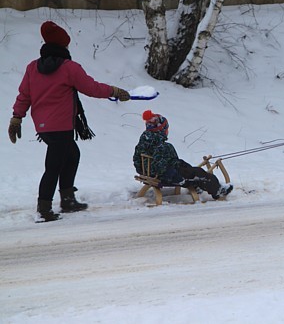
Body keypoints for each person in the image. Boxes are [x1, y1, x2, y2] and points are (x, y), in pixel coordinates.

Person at [9, 21, 131, 222]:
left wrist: (16, 118)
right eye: (66, 45)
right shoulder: (69, 68)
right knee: (54, 166)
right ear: (63, 46)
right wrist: (115, 91)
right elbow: (91, 88)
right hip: (61, 126)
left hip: (44, 127)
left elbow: (24, 95)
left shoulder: (33, 67)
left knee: (72, 154)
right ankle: (45, 208)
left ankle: (67, 199)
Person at [133, 110, 233, 200]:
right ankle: (218, 191)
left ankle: (198, 186)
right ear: (162, 130)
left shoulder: (143, 143)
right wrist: (177, 178)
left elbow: (137, 160)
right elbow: (161, 167)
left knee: (188, 168)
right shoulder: (162, 146)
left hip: (152, 172)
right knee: (200, 173)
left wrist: (143, 171)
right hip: (169, 175)